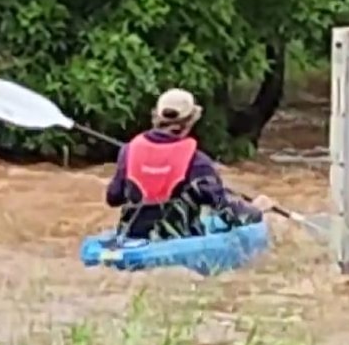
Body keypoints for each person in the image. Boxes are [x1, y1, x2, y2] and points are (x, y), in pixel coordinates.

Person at [105, 88, 275, 240]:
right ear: (190, 121)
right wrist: (256, 209)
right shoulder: (198, 163)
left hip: (131, 237)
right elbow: (228, 212)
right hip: (177, 239)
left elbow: (113, 198)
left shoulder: (128, 151)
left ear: (155, 116)